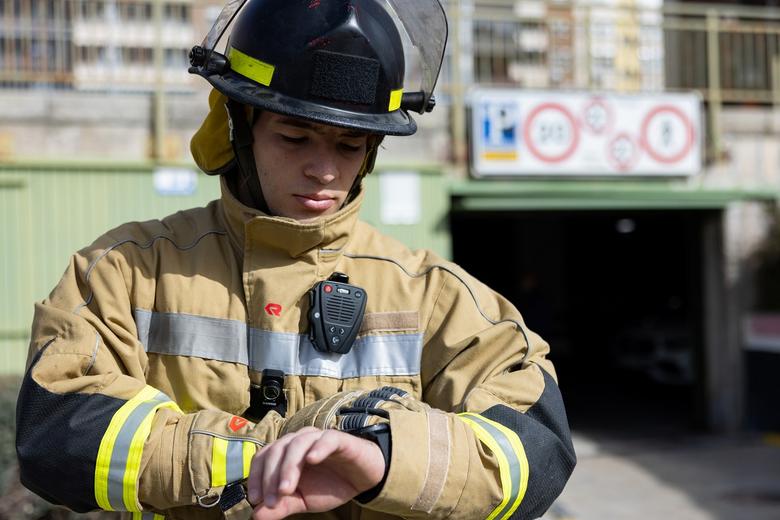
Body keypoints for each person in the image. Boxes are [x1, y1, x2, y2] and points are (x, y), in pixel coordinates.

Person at [15, 1, 576, 519]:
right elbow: (57, 436)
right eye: (294, 136)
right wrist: (270, 454)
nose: (325, 171)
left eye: (349, 145)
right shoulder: (124, 272)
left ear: (372, 151)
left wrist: (382, 456)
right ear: (239, 126)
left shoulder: (440, 297)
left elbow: (534, 455)